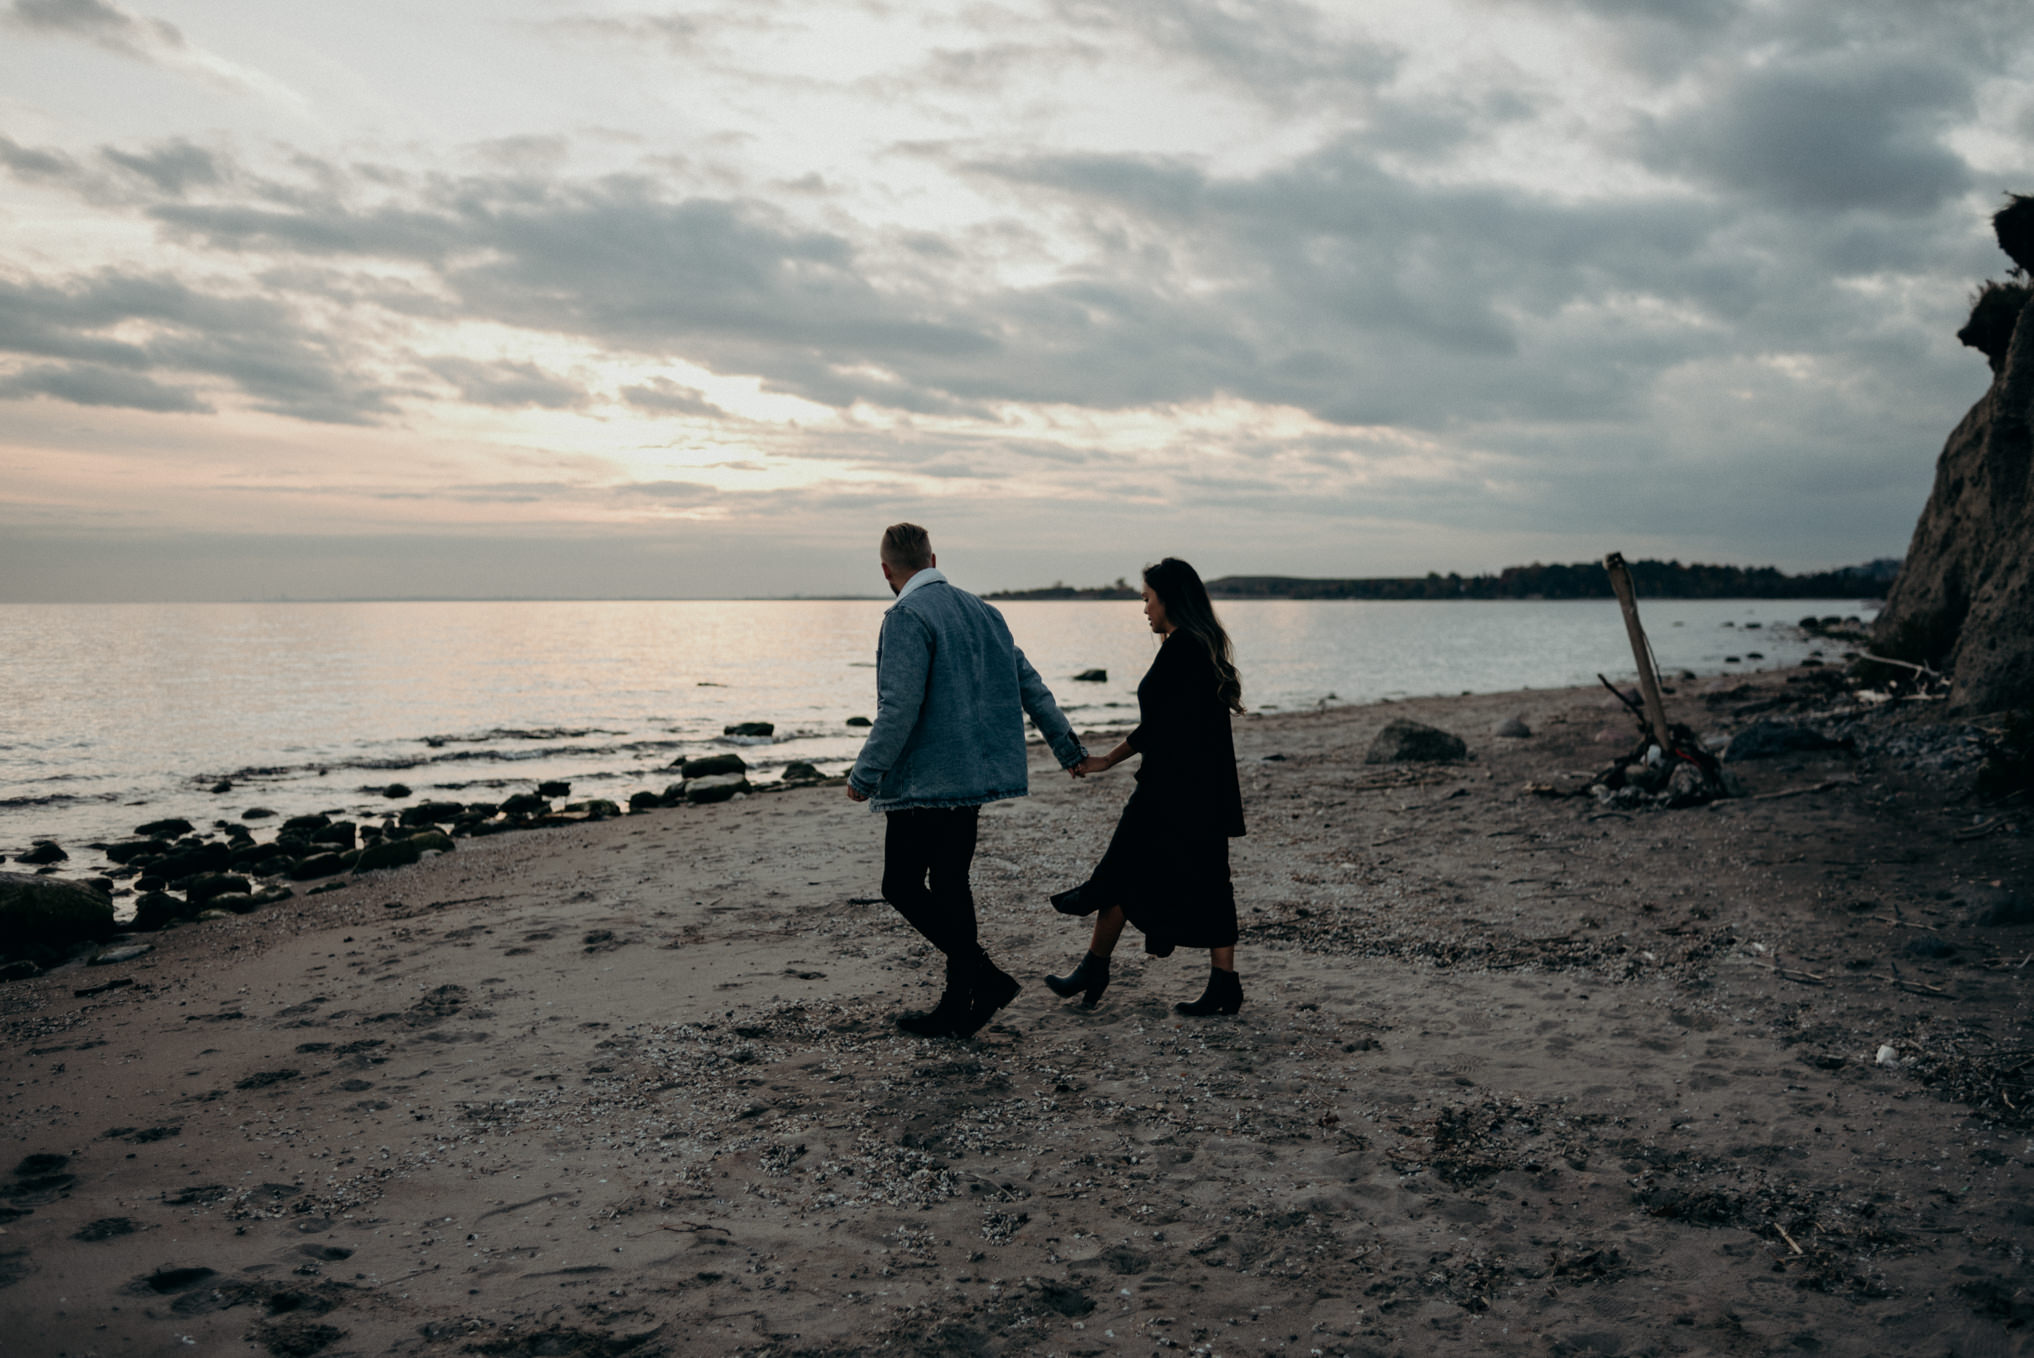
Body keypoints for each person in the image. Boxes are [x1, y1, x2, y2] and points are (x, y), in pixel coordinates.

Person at [847, 523, 1090, 1038]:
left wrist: (865, 775)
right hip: (974, 777)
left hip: (926, 782)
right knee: (951, 883)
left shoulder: (906, 616)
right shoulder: (985, 612)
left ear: (886, 570)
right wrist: (1067, 747)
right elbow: (1031, 685)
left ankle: (984, 979)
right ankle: (960, 1003)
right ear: (933, 557)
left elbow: (899, 708)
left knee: (901, 885)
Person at [1045, 557, 1247, 1016]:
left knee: (1124, 869)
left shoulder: (1184, 649)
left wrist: (1104, 761)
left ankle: (1095, 960)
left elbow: (1157, 727)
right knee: (1204, 878)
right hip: (1200, 786)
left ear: (1168, 599)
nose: (1144, 610)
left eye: (1147, 599)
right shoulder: (1197, 645)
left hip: (1174, 788)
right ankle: (1221, 984)